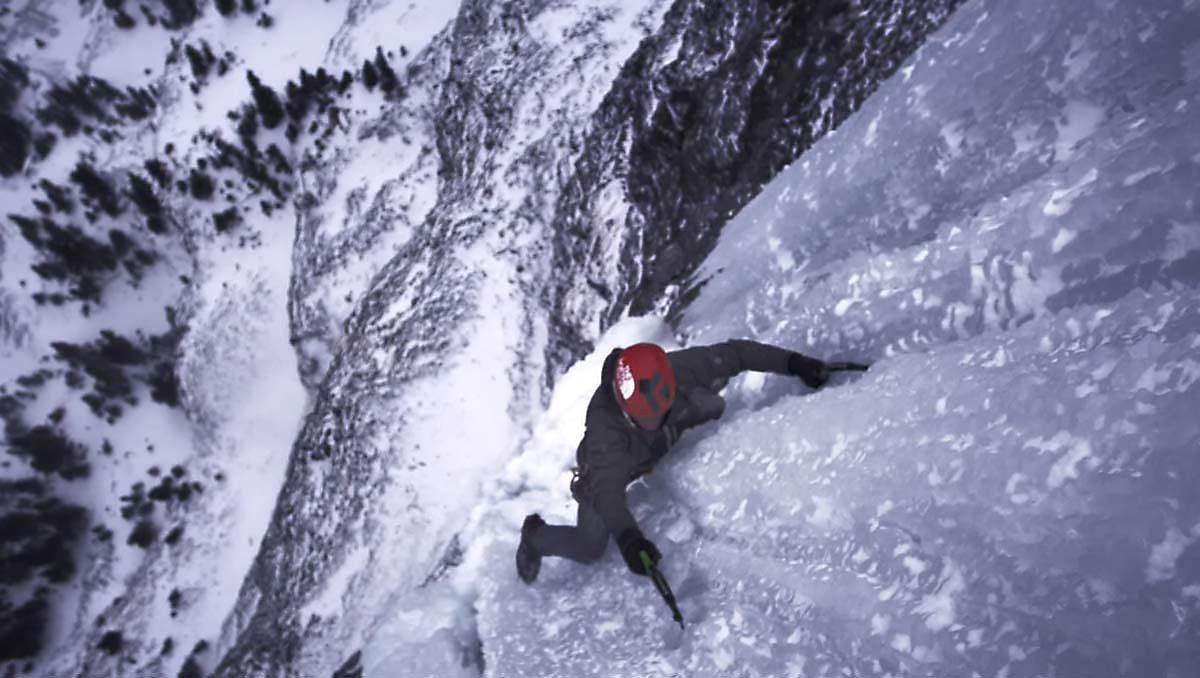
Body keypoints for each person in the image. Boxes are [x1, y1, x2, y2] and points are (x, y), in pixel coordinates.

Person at [515, 339, 863, 583]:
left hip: (663, 436)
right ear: (625, 411)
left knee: (711, 403)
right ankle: (535, 538)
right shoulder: (606, 438)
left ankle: (677, 421)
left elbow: (735, 354)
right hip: (616, 468)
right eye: (646, 417)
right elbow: (609, 497)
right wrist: (630, 540)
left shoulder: (667, 370)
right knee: (590, 547)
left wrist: (793, 363)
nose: (654, 418)